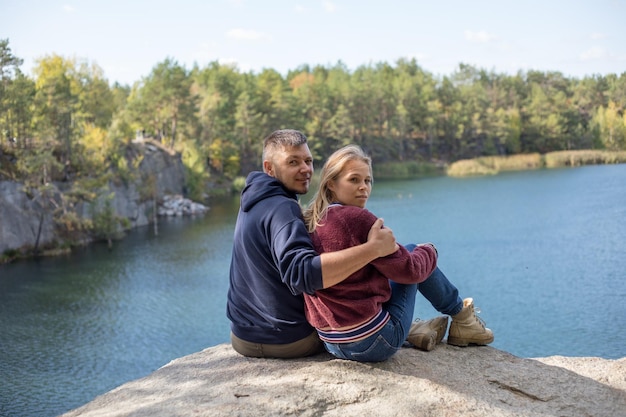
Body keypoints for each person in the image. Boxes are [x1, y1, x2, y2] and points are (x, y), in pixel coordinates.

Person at [302, 144, 494, 362]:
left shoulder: (311, 221)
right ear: (331, 185)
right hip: (375, 343)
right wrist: (430, 250)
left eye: (367, 181)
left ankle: (417, 331)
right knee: (416, 253)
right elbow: (410, 271)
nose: (363, 187)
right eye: (354, 180)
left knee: (395, 265)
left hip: (331, 343)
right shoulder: (359, 219)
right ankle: (463, 319)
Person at [226, 130, 399, 359]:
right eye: (293, 162)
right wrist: (372, 249)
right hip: (289, 340)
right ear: (269, 168)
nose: (306, 169)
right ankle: (401, 331)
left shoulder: (254, 200)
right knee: (394, 268)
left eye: (308, 161)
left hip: (242, 338)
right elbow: (303, 273)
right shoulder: (282, 209)